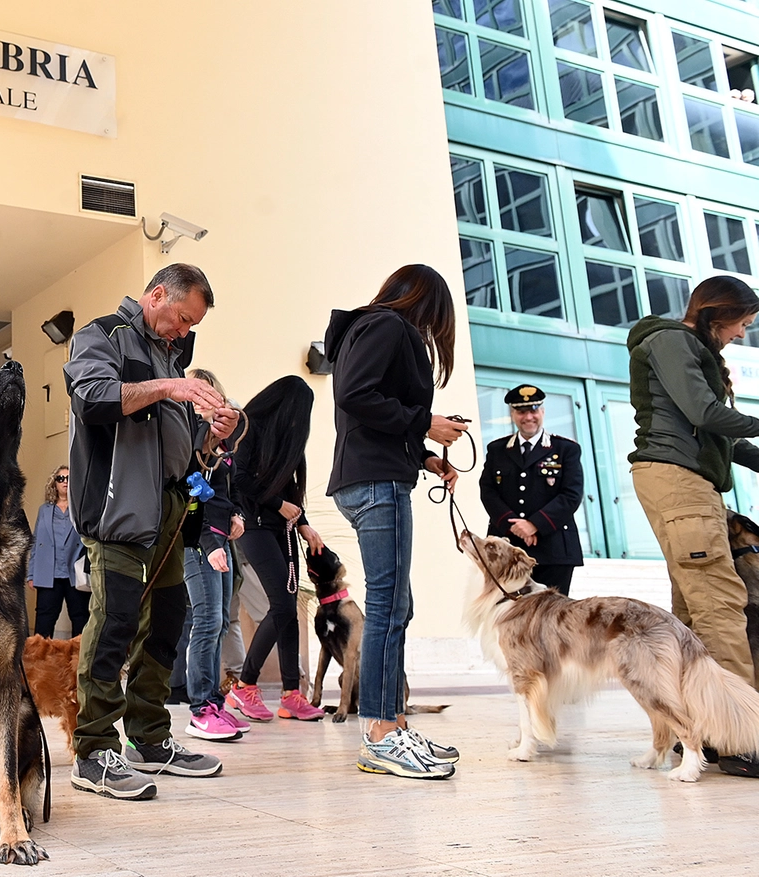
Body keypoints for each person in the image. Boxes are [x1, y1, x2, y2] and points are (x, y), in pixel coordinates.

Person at [64, 263, 240, 801]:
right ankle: (93, 750)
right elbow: (93, 399)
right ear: (157, 295)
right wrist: (171, 387)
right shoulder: (101, 335)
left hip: (170, 510)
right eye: (182, 319)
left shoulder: (171, 357)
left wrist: (213, 437)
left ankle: (150, 740)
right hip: (117, 508)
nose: (185, 333)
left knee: (165, 624)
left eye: (192, 328)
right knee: (114, 623)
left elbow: (184, 451)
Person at [324, 264, 464, 780]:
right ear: (426, 304)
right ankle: (382, 733)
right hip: (377, 483)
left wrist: (423, 455)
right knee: (388, 607)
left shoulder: (367, 328)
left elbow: (369, 413)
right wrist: (423, 422)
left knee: (394, 605)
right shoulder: (387, 327)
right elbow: (357, 396)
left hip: (373, 475)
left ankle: (394, 724)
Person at [627, 275, 759, 778]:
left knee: (690, 614)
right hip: (680, 482)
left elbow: (718, 433)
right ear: (718, 314)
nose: (742, 334)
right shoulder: (671, 340)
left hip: (678, 479)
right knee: (721, 605)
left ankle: (699, 733)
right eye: (742, 324)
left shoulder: (679, 346)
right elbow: (704, 412)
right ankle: (743, 740)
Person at [227, 375, 329, 724]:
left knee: (289, 609)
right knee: (281, 605)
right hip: (252, 525)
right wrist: (278, 503)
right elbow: (238, 480)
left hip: (281, 527)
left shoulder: (288, 443)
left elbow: (293, 492)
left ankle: (291, 695)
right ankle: (245, 687)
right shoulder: (247, 427)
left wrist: (303, 523)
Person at [178, 368, 249, 740]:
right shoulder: (189, 442)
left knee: (220, 621)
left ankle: (215, 703)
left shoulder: (223, 447)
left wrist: (237, 514)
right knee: (206, 621)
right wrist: (208, 545)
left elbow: (229, 491)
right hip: (199, 540)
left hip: (222, 539)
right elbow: (191, 499)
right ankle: (201, 709)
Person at [477, 386, 583, 595]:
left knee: (551, 621)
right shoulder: (497, 450)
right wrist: (515, 526)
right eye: (521, 411)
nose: (528, 417)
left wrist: (535, 524)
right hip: (507, 550)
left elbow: (571, 494)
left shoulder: (565, 450)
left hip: (553, 549)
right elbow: (487, 490)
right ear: (513, 414)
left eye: (533, 410)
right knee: (506, 618)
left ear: (542, 412)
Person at [28, 465, 90, 638]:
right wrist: (31, 575)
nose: (64, 482)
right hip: (48, 575)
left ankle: (79, 662)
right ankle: (39, 662)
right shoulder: (45, 510)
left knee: (81, 619)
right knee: (44, 622)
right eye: (60, 478)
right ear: (54, 484)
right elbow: (36, 543)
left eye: (69, 478)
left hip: (74, 574)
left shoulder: (81, 510)